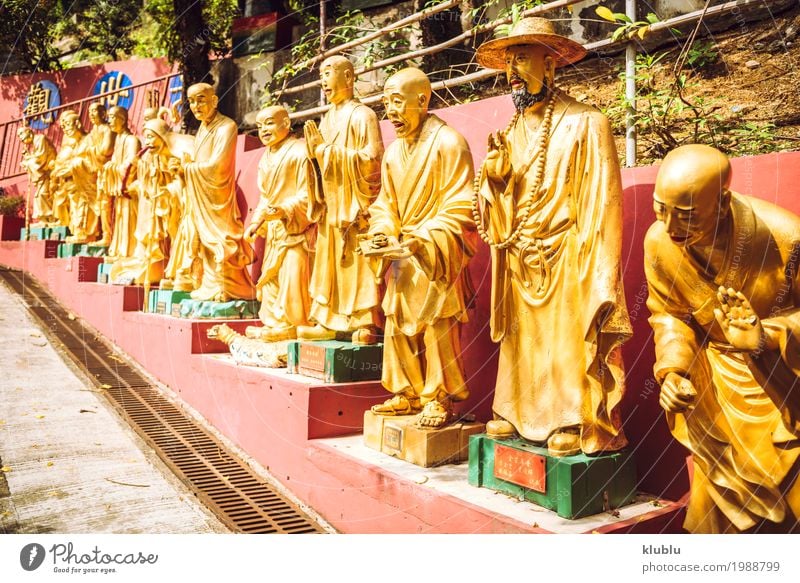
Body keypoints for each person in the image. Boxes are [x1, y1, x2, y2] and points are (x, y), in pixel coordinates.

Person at [473, 17, 632, 456]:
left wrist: (598, 273)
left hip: (567, 255)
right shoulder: (508, 134)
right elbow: (495, 213)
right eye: (509, 60)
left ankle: (570, 417)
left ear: (552, 64)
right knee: (523, 342)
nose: (514, 69)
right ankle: (515, 410)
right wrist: (497, 181)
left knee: (566, 338)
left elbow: (604, 206)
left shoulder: (586, 123)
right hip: (523, 258)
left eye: (524, 57)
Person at [645, 144, 800, 533]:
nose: (671, 227)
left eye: (686, 215)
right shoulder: (659, 242)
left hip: (782, 391)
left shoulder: (784, 238)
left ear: (724, 200)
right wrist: (674, 370)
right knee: (712, 518)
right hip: (716, 390)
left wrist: (767, 335)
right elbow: (668, 314)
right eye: (660, 209)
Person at [364, 67, 476, 429]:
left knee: (436, 326)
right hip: (401, 255)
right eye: (385, 104)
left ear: (422, 100)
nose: (390, 113)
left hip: (434, 252)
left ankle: (438, 396)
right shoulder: (393, 154)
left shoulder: (449, 143)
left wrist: (421, 239)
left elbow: (462, 206)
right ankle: (407, 391)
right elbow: (385, 205)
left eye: (397, 102)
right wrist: (383, 232)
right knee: (396, 324)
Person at [302, 56, 383, 344]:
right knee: (328, 264)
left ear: (348, 78)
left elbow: (372, 160)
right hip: (331, 203)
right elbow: (317, 163)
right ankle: (328, 319)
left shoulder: (363, 116)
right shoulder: (327, 119)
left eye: (328, 74)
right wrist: (313, 156)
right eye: (321, 75)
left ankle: (364, 321)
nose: (323, 81)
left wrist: (325, 152)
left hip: (354, 204)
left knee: (357, 264)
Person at [174, 83, 255, 302]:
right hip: (203, 197)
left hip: (218, 198)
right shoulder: (202, 129)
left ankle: (231, 287)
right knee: (203, 243)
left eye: (201, 99)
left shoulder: (226, 127)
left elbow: (218, 167)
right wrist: (184, 170)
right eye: (191, 101)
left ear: (214, 101)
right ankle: (210, 285)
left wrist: (188, 168)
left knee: (221, 242)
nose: (196, 105)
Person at [243, 106, 315, 342]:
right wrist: (257, 222)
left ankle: (294, 323)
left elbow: (310, 194)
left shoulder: (300, 151)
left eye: (270, 123)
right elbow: (266, 197)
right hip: (275, 229)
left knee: (293, 278)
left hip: (297, 229)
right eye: (260, 125)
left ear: (286, 123)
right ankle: (274, 323)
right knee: (272, 280)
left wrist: (285, 210)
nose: (264, 130)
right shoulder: (266, 158)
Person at [103, 106, 140, 257]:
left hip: (129, 189)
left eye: (113, 117)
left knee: (128, 221)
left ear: (123, 119)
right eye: (109, 117)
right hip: (119, 189)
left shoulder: (132, 140)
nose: (109, 120)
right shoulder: (118, 139)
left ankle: (128, 252)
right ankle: (119, 250)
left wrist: (112, 167)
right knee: (119, 219)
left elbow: (131, 165)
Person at [50, 111, 86, 232]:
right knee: (61, 198)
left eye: (67, 123)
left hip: (77, 177)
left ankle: (78, 229)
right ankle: (63, 220)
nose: (64, 127)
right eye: (63, 124)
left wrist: (70, 167)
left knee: (76, 203)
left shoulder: (85, 140)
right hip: (63, 173)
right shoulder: (67, 137)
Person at [17, 126, 56, 225]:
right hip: (44, 173)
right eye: (18, 136)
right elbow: (36, 157)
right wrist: (28, 157)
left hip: (50, 172)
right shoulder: (35, 144)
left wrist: (28, 162)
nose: (20, 138)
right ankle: (44, 219)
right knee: (38, 195)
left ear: (29, 132)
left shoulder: (40, 139)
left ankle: (52, 218)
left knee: (43, 194)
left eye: (21, 134)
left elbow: (41, 158)